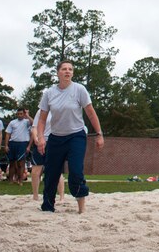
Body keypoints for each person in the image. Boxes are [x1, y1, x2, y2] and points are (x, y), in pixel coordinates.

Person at [36, 60, 104, 213]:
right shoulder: (49, 93)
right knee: (51, 174)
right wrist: (41, 138)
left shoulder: (79, 89)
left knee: (75, 171)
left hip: (76, 136)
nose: (68, 71)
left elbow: (91, 113)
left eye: (70, 69)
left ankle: (81, 207)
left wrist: (99, 134)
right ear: (58, 72)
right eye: (64, 69)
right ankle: (48, 206)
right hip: (55, 137)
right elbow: (41, 119)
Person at [29, 109, 65, 202]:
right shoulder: (40, 111)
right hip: (41, 141)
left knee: (57, 170)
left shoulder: (60, 109)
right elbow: (34, 127)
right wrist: (36, 138)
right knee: (36, 170)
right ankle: (35, 196)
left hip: (55, 142)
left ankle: (61, 197)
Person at [4, 108, 32, 185]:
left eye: (21, 114)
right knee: (12, 162)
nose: (19, 115)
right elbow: (7, 134)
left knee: (21, 163)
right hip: (13, 143)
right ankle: (11, 180)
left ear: (23, 114)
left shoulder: (27, 122)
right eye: (18, 114)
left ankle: (20, 180)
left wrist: (27, 115)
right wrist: (6, 145)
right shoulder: (12, 122)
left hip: (22, 143)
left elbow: (33, 123)